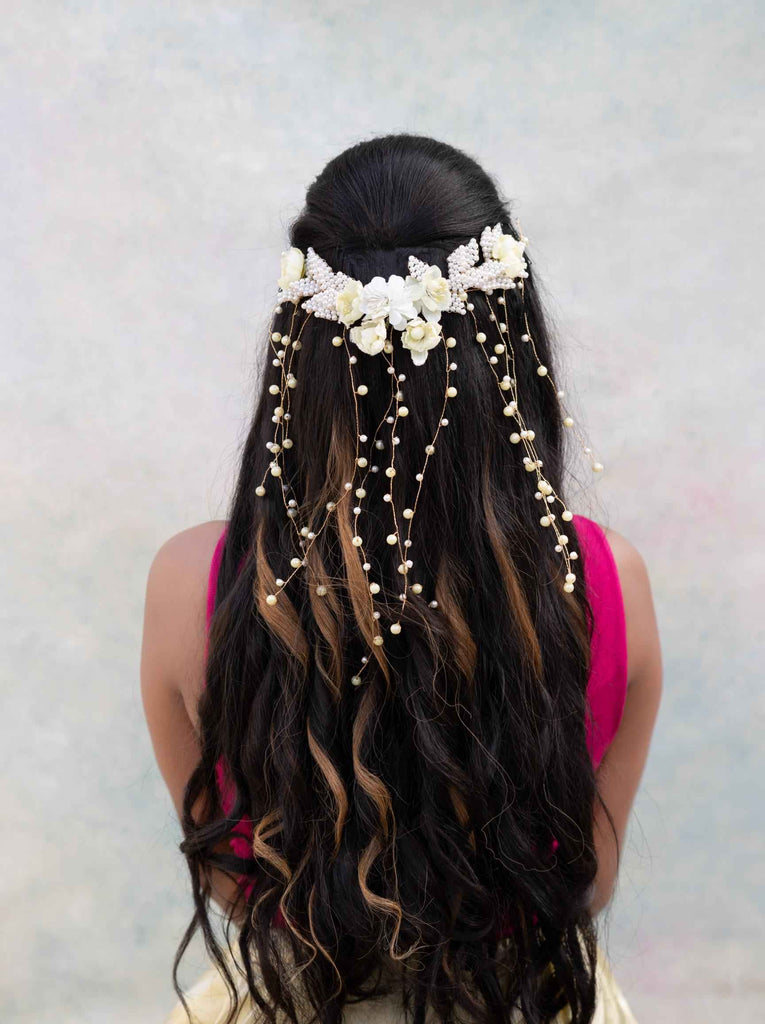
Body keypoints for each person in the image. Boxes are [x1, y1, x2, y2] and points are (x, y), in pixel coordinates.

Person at [141, 134, 662, 1024]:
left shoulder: (192, 582)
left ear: (300, 349)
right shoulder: (606, 581)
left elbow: (229, 884)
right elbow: (586, 881)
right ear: (508, 343)